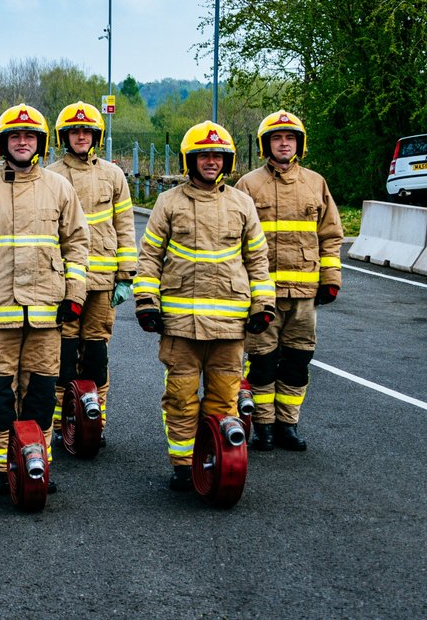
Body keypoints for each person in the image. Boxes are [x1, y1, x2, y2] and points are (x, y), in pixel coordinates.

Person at [0, 104, 89, 496]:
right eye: (15, 136)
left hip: (47, 313)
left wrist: (74, 295)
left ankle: (36, 462)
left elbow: (77, 245)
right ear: (3, 143)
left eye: (29, 136)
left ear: (40, 142)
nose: (22, 142)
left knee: (42, 392)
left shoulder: (60, 188)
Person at [133, 121, 275, 491]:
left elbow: (258, 261)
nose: (210, 162)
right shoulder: (169, 202)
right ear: (190, 160)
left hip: (230, 327)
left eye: (217, 156)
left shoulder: (242, 204)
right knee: (180, 398)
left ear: (226, 162)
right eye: (203, 155)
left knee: (224, 398)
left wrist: (263, 305)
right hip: (180, 325)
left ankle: (214, 460)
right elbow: (149, 257)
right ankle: (183, 465)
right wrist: (147, 302)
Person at [234, 110, 343, 452]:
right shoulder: (248, 185)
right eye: (278, 138)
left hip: (304, 295)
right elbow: (234, 239)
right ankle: (263, 427)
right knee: (263, 362)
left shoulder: (316, 183)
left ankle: (288, 425)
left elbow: (331, 235)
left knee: (297, 361)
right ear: (266, 145)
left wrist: (331, 278)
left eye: (290, 138)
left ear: (299, 143)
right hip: (262, 294)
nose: (284, 143)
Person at [46, 102, 136, 446]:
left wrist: (126, 275)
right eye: (74, 131)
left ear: (96, 135)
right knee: (64, 356)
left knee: (96, 355)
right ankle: (60, 422)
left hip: (102, 281)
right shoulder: (52, 176)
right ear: (64, 136)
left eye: (86, 131)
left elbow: (125, 227)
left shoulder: (114, 176)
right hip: (63, 282)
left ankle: (94, 420)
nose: (81, 136)